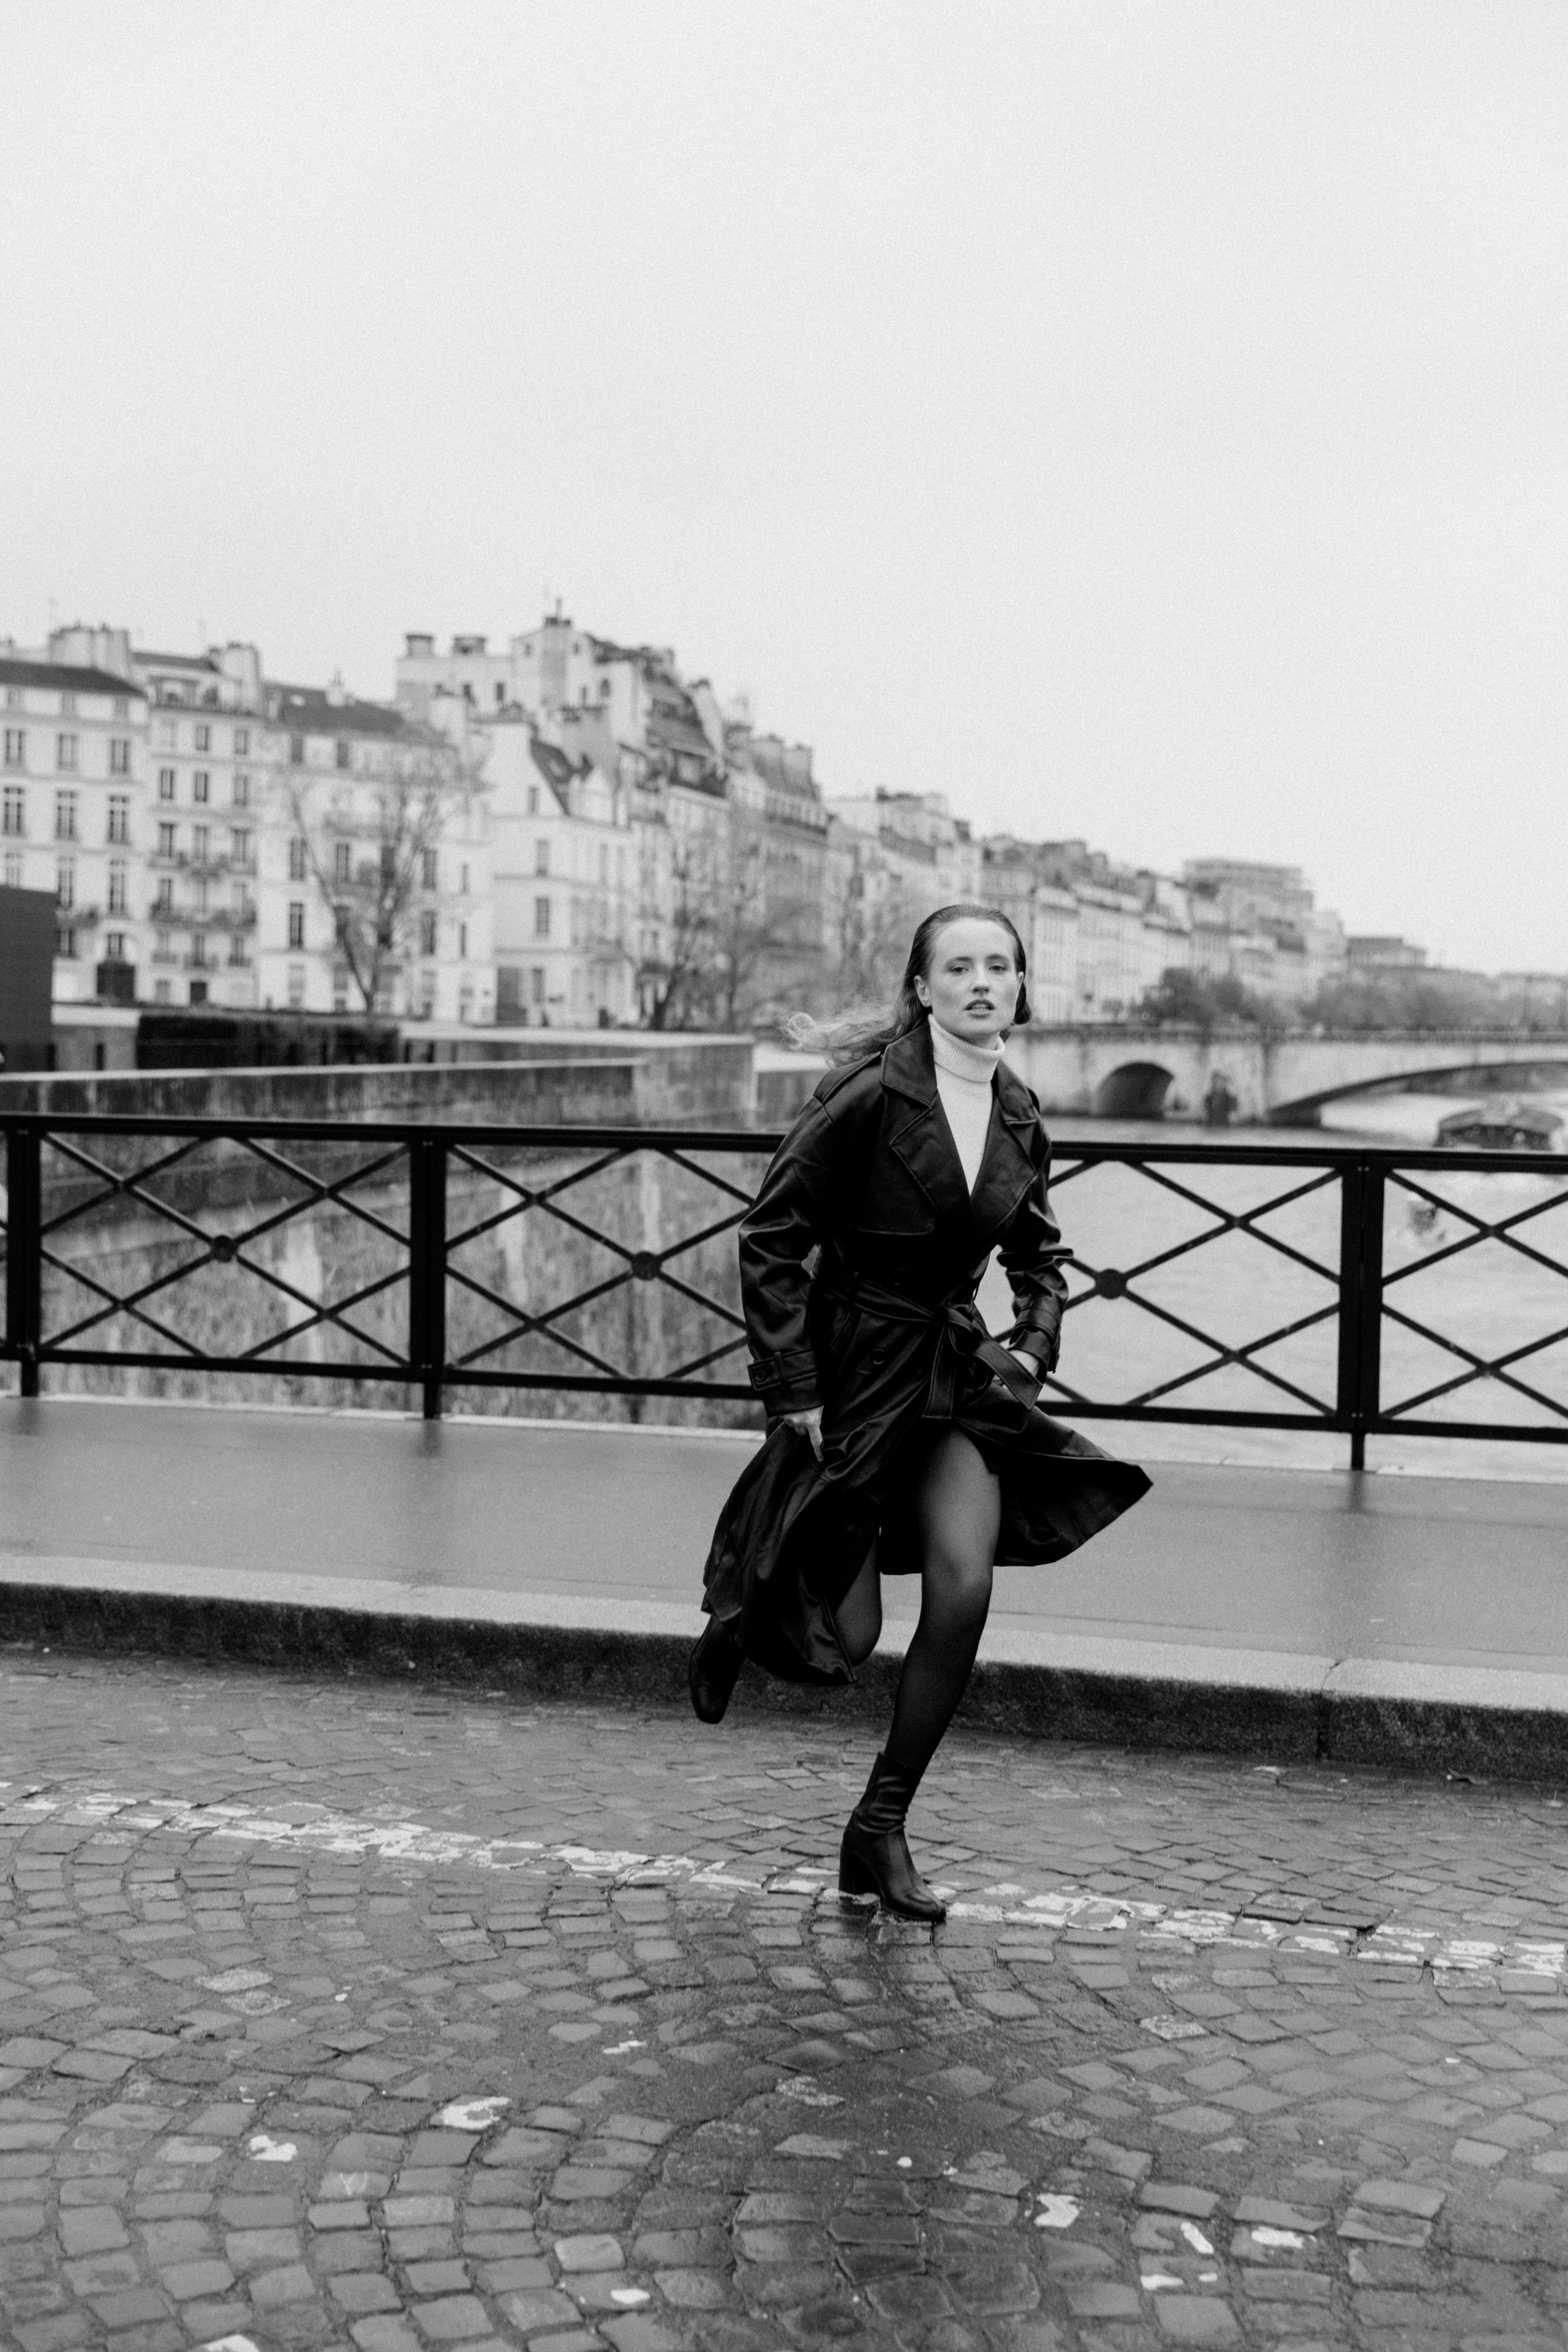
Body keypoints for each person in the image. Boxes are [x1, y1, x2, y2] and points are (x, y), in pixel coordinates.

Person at [690, 904, 1150, 1922]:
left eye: (1000, 966)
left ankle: (880, 1825)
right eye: (961, 967)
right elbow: (770, 1235)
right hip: (856, 1366)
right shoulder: (868, 1093)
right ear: (924, 988)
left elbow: (1038, 1256)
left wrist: (1033, 1343)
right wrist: (794, 1386)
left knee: (963, 1582)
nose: (983, 981)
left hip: (949, 1366)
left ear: (1021, 990)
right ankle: (746, 1608)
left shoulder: (1022, 1112)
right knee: (848, 1636)